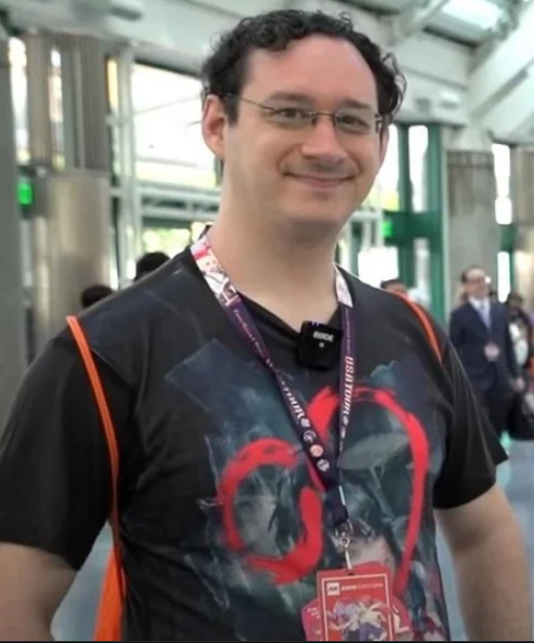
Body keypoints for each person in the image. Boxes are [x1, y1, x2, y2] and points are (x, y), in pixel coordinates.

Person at [0, 9, 530, 642]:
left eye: (352, 120)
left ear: (382, 144)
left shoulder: (413, 334)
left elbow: (483, 531)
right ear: (217, 124)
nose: (325, 146)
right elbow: (15, 600)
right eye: (290, 112)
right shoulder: (106, 353)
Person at [449, 266, 523, 437]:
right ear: (466, 286)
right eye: (475, 281)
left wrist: (516, 374)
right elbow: (454, 348)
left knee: (498, 419)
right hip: (474, 375)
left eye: (483, 280)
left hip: (500, 375)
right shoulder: (459, 315)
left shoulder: (499, 310)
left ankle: (496, 447)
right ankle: (486, 450)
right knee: (480, 420)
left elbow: (507, 344)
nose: (481, 284)